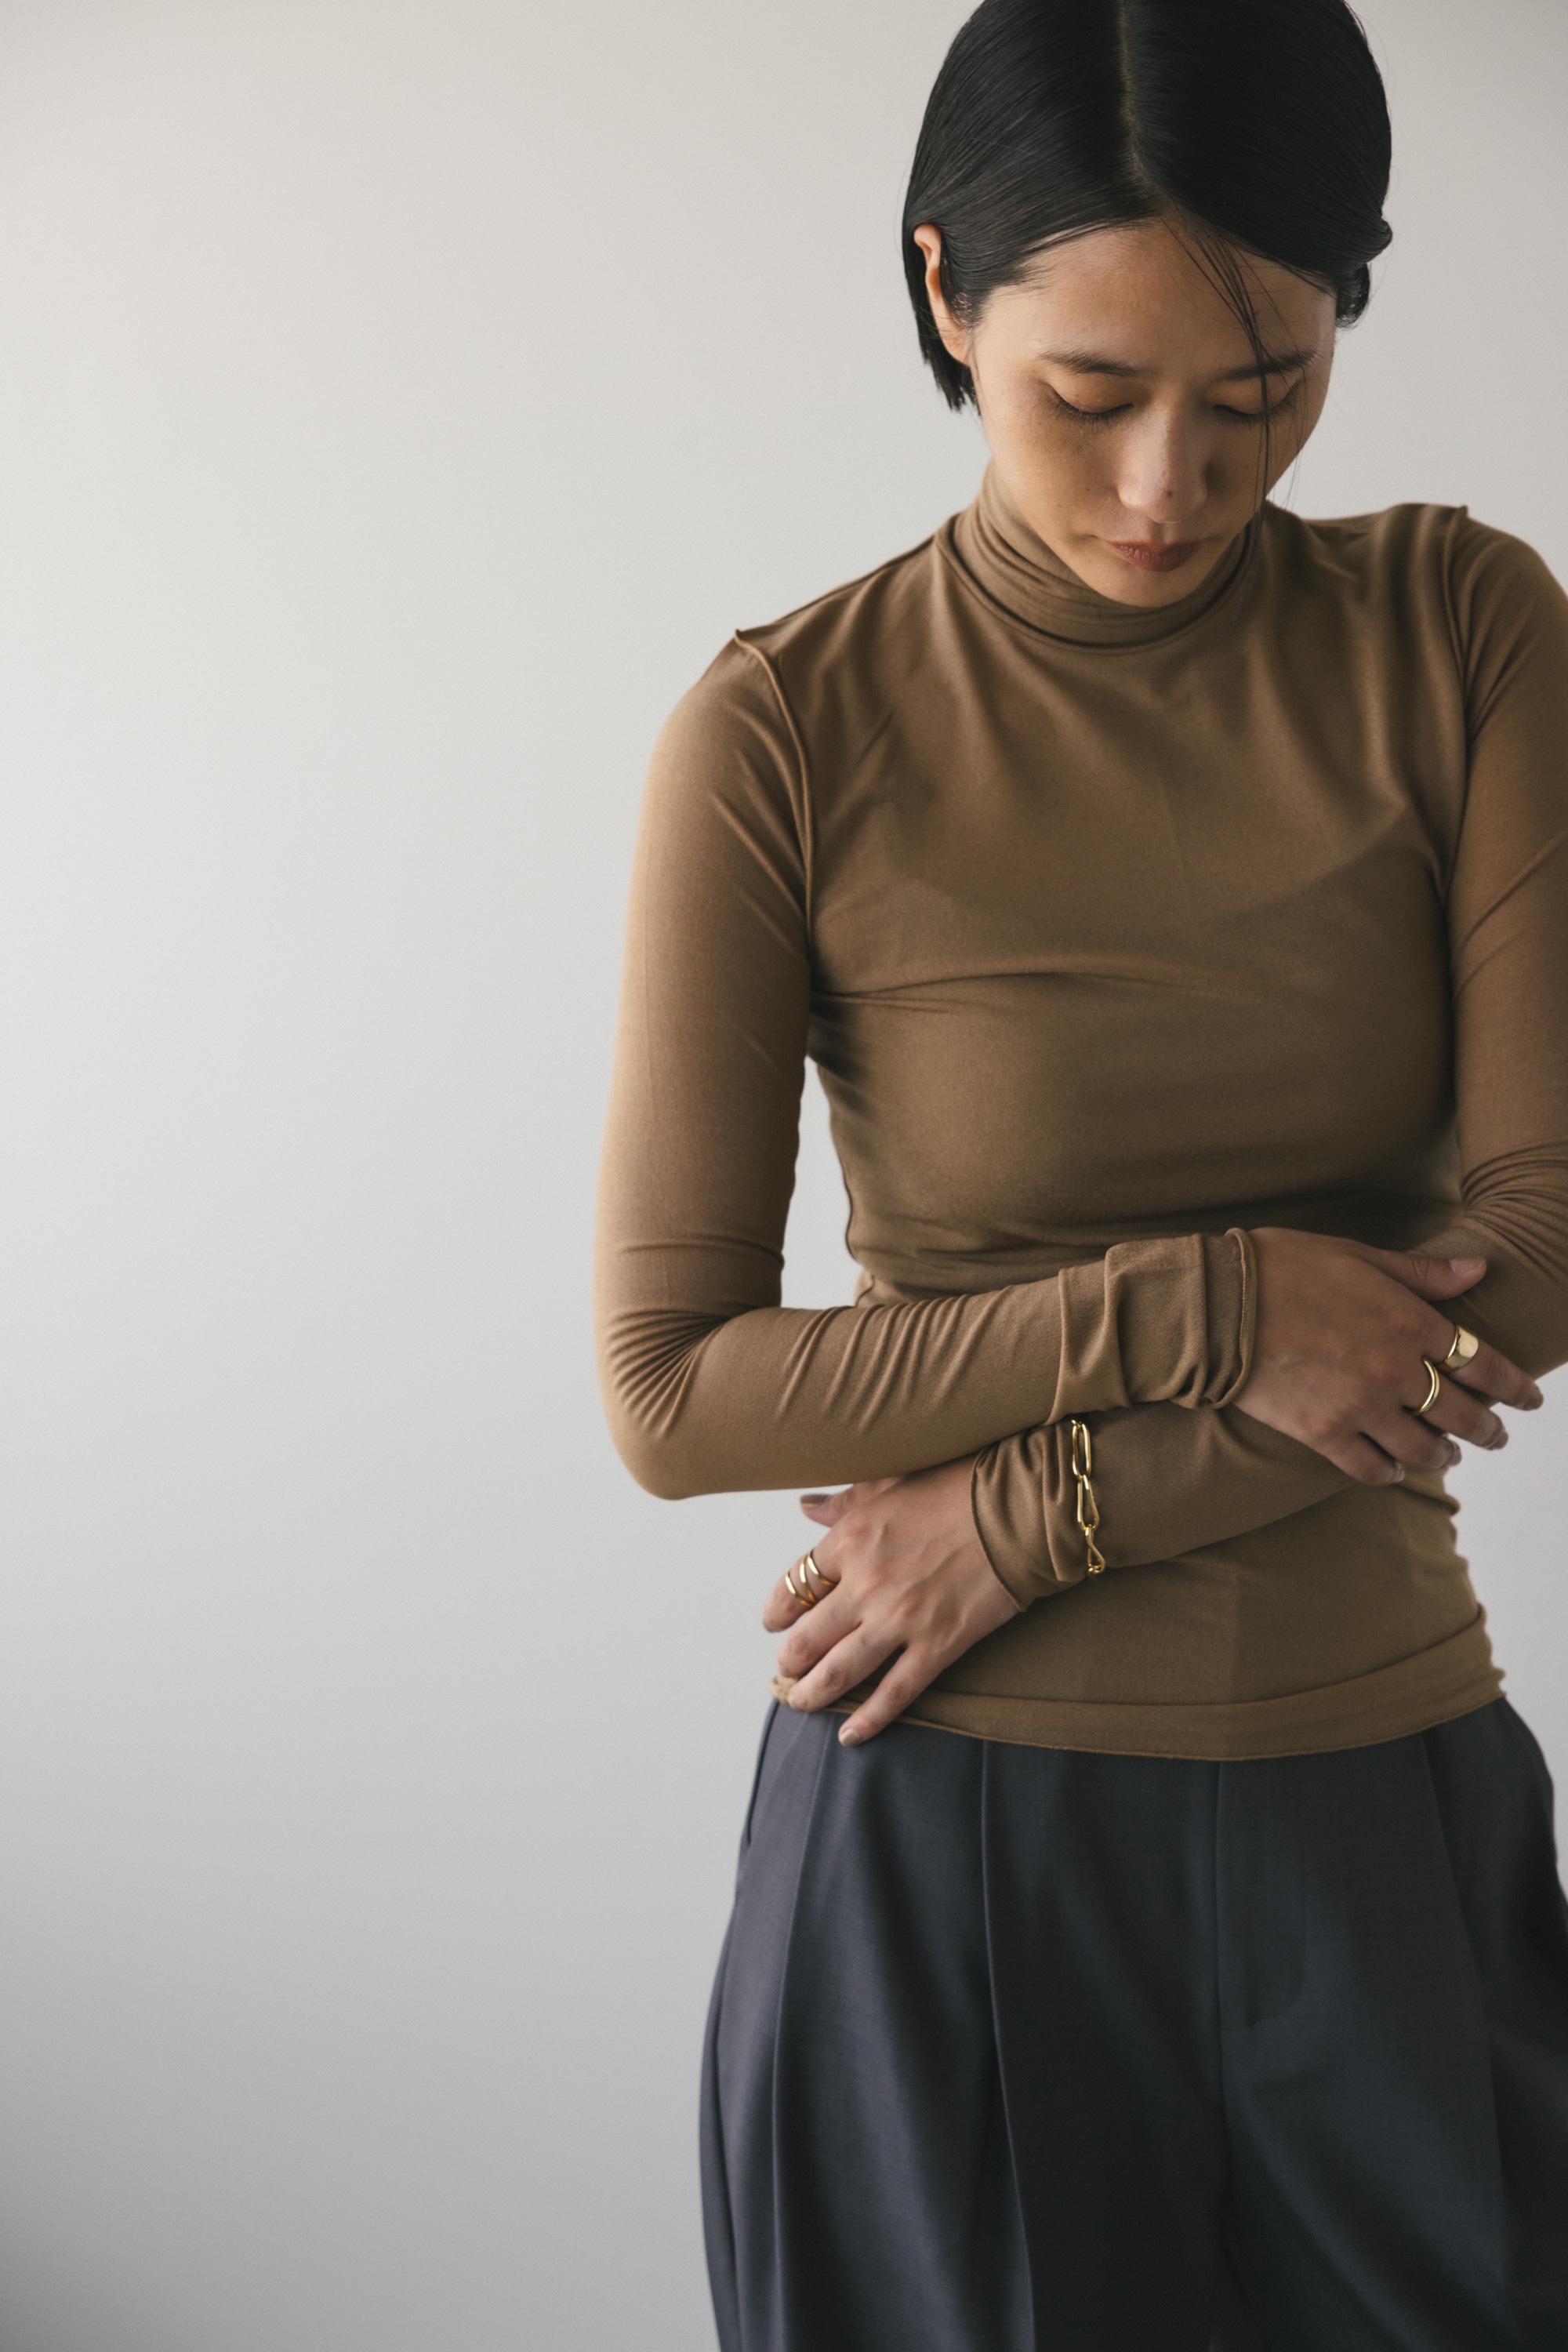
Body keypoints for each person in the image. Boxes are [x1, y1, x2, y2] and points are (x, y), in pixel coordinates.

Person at [593, 0, 1568, 2343]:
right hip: (942, 1842)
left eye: (1263, 393)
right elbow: (674, 1388)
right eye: (1090, 394)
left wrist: (1038, 1515)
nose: (1168, 484)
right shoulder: (786, 727)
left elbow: (1539, 1250)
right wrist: (1222, 1303)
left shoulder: (1464, 632)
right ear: (948, 293)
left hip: (1380, 1802)